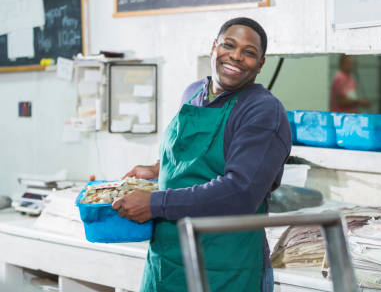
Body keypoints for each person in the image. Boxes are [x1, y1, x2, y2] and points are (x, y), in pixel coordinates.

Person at [112, 17, 292, 292]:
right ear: (213, 47)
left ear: (261, 64)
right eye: (228, 45)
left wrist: (155, 203)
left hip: (225, 267)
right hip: (168, 260)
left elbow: (240, 191)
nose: (236, 56)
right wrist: (158, 168)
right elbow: (197, 157)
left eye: (249, 52)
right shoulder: (193, 93)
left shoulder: (262, 110)